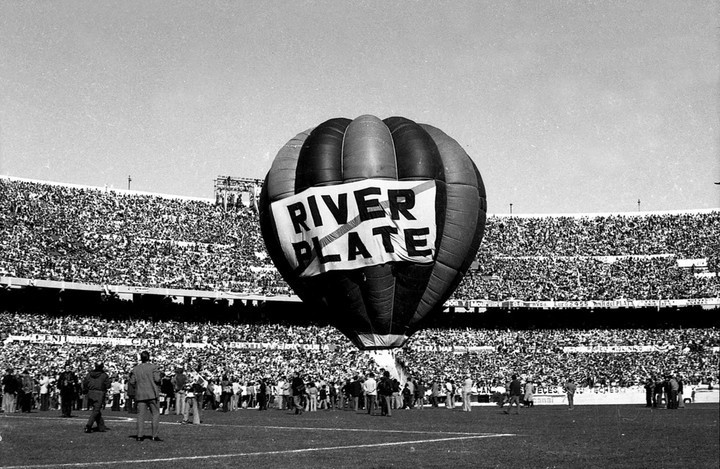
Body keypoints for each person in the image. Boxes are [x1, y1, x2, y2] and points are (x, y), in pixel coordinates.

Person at [130, 351, 162, 442]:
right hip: (152, 393)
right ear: (149, 357)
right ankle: (154, 435)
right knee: (155, 414)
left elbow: (132, 382)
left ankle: (140, 436)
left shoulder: (136, 369)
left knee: (140, 416)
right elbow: (157, 379)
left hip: (140, 394)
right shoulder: (153, 367)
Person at [83, 362, 110, 433]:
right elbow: (108, 385)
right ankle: (88, 425)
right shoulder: (104, 375)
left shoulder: (89, 374)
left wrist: (87, 390)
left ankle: (101, 426)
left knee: (96, 410)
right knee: (96, 411)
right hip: (99, 393)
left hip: (90, 393)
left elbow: (85, 383)